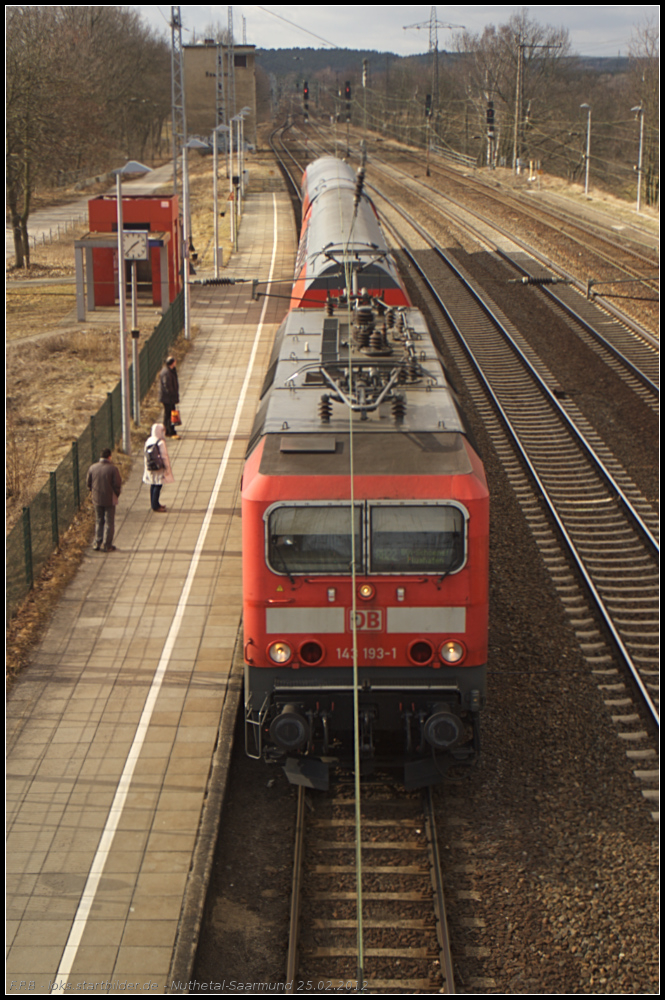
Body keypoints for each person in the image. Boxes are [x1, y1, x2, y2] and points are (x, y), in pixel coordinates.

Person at [86, 448, 122, 551]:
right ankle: (107, 545)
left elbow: (88, 483)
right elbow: (117, 484)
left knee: (99, 520)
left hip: (97, 498)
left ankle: (97, 542)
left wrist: (93, 492)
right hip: (109, 499)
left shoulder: (92, 468)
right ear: (109, 457)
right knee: (109, 522)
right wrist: (116, 494)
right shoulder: (113, 469)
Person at [142, 423, 175, 512]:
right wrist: (167, 468)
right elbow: (164, 456)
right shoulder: (160, 442)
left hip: (150, 466)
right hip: (158, 467)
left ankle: (154, 503)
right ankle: (155, 505)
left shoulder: (148, 441)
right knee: (158, 484)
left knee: (153, 484)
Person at [159, 355, 180, 438]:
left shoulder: (171, 370)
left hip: (169, 397)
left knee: (170, 413)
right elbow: (167, 385)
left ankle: (169, 429)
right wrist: (172, 394)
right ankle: (169, 430)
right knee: (169, 414)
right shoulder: (166, 373)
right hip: (167, 398)